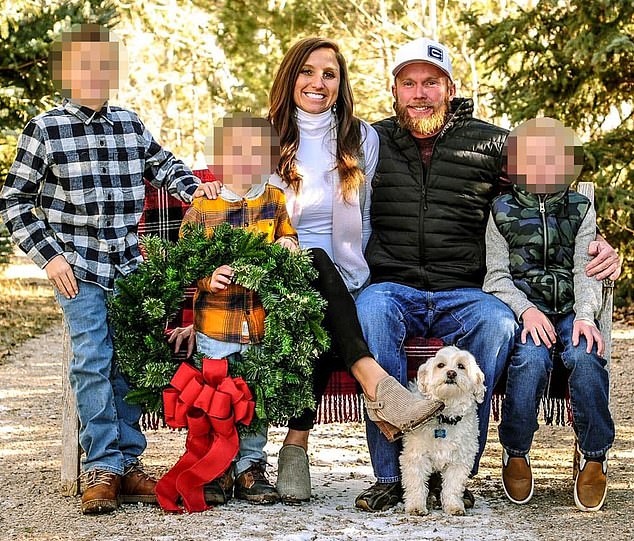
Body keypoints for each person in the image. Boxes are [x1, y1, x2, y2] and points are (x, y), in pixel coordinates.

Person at [170, 36, 444, 505]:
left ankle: (295, 447)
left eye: (329, 74)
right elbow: (236, 214)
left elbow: (366, 215)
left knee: (323, 299)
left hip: (344, 279)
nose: (318, 82)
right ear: (290, 76)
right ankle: (374, 390)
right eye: (308, 72)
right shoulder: (265, 136)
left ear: (341, 84)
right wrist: (199, 309)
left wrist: (362, 279)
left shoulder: (362, 138)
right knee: (312, 263)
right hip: (269, 276)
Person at [354, 37, 622, 512]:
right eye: (409, 83)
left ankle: (459, 472)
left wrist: (597, 240)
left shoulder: (491, 143)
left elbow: (546, 196)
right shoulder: (371, 142)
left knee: (498, 322)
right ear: (394, 90)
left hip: (465, 287)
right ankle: (391, 476)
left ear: (450, 88)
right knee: (370, 312)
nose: (420, 94)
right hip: (392, 284)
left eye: (431, 83)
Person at [0, 24, 215, 515]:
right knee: (93, 359)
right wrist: (49, 256)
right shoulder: (45, 129)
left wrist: (193, 189)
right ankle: (100, 466)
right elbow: (14, 201)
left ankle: (128, 463)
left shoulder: (129, 124)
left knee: (128, 362)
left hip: (128, 266)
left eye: (103, 66)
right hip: (77, 267)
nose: (94, 75)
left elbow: (163, 165)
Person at [483, 117, 614, 512]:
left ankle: (594, 456)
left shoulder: (579, 208)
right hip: (528, 311)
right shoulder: (501, 210)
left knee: (585, 356)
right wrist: (526, 311)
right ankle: (516, 450)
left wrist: (586, 316)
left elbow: (586, 269)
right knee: (531, 358)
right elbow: (496, 276)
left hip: (573, 309)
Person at [180, 114, 299, 505]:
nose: (245, 161)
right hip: (215, 326)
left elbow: (288, 238)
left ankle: (250, 466)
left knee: (252, 397)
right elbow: (185, 260)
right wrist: (206, 278)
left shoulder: (274, 200)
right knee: (216, 397)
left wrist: (287, 245)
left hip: (257, 323)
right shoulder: (204, 205)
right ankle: (217, 466)